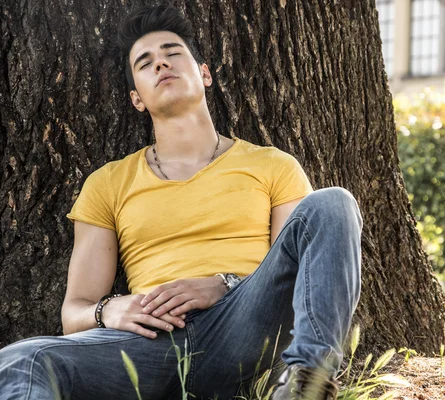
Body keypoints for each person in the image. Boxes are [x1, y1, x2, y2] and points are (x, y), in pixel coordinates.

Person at [0, 5, 362, 400]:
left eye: (172, 53)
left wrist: (225, 285)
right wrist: (109, 310)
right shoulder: (107, 183)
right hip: (150, 343)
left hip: (244, 329)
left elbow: (296, 273)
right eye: (145, 62)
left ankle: (306, 383)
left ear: (204, 73)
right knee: (21, 359)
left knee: (332, 204)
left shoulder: (271, 165)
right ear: (137, 99)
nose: (161, 64)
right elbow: (74, 313)